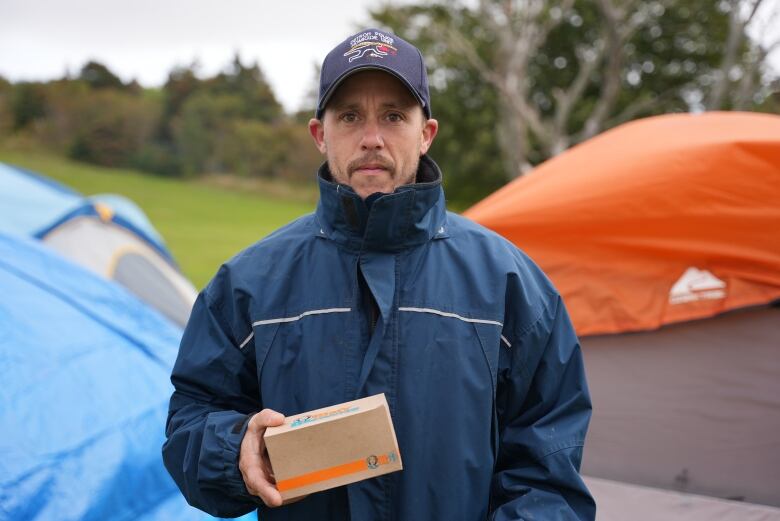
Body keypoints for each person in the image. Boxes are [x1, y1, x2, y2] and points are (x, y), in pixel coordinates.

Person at [163, 27, 595, 521]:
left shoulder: (512, 287)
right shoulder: (246, 285)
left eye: (393, 116)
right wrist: (234, 451)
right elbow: (190, 420)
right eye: (350, 116)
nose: (371, 138)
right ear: (319, 134)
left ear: (425, 133)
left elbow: (549, 473)